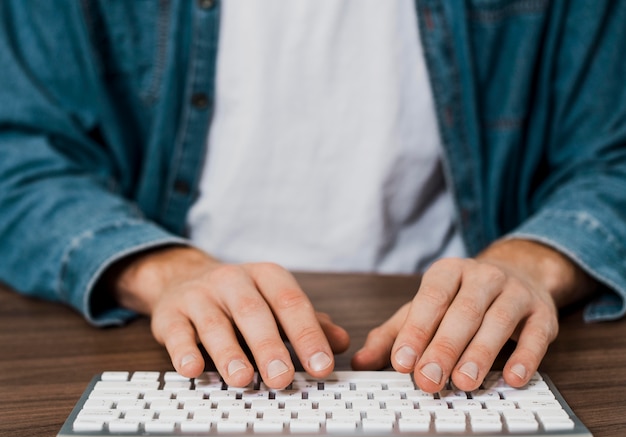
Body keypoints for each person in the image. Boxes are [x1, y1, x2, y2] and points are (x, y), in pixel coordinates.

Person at [0, 1, 625, 393]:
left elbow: (612, 155)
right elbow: (20, 152)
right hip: (169, 333)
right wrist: (159, 270)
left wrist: (533, 262)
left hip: (460, 340)